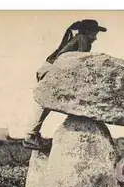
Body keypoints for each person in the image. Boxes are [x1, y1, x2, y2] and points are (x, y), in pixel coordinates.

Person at [23, 19, 107, 150]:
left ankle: (32, 135)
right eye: (94, 34)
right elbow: (80, 61)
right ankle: (30, 136)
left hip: (50, 67)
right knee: (46, 103)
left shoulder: (79, 38)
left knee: (46, 104)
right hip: (53, 68)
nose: (95, 38)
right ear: (88, 32)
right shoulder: (83, 39)